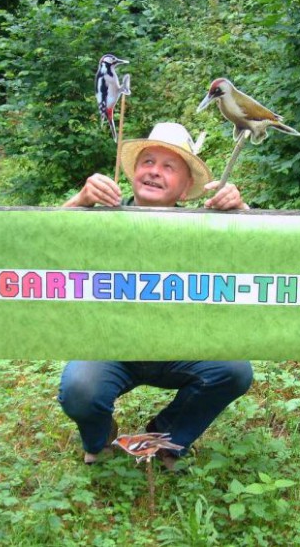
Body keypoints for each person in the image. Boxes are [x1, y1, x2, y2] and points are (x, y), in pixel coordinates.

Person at [58, 122, 253, 470]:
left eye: (168, 166)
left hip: (181, 348)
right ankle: (100, 440)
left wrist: (241, 212)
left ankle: (165, 438)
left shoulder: (207, 226)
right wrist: (80, 200)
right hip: (111, 347)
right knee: (80, 388)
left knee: (234, 370)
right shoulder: (100, 219)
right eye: (147, 162)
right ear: (133, 171)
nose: (154, 172)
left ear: (186, 185)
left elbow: (262, 254)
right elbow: (41, 244)